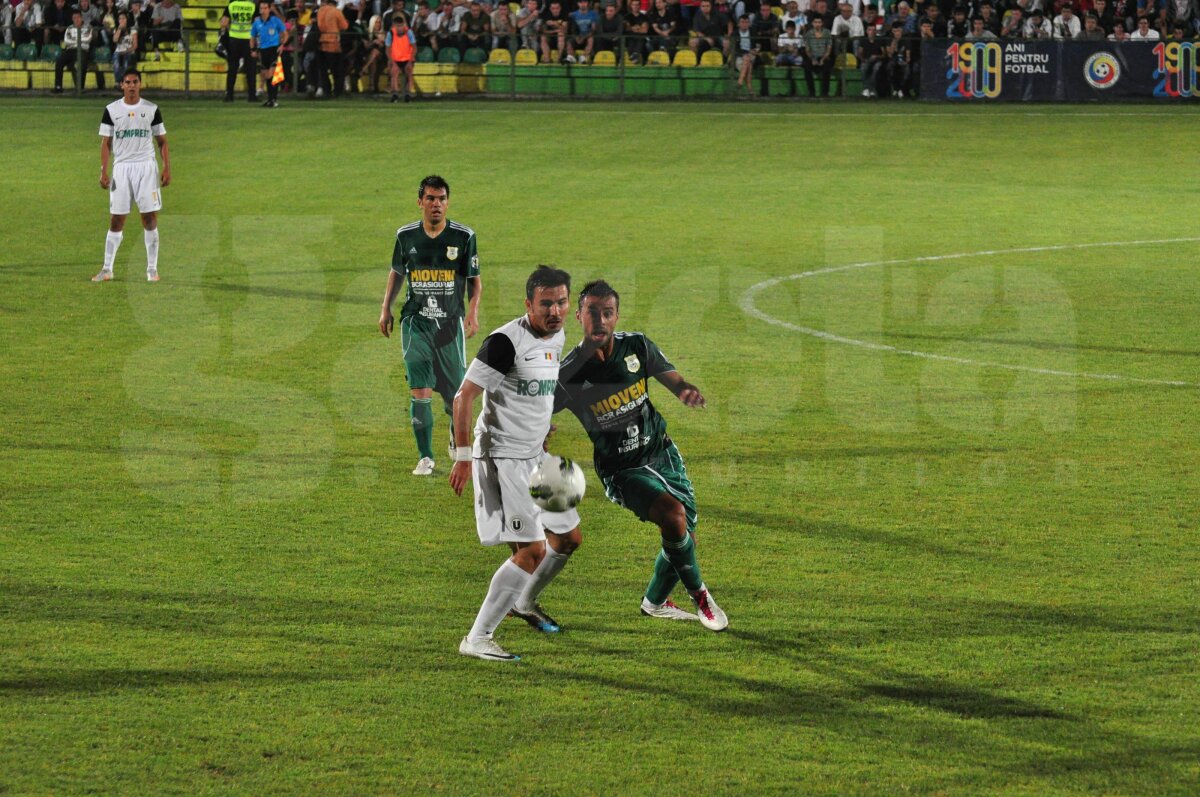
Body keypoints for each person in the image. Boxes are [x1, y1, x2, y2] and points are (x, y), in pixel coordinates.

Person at [552, 280, 728, 632]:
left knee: (683, 539)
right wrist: (539, 433)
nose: (600, 320)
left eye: (607, 313)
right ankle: (701, 597)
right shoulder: (569, 373)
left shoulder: (637, 347)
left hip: (662, 452)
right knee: (674, 517)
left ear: (617, 316)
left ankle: (655, 602)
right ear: (578, 316)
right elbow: (538, 412)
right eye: (592, 313)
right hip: (622, 470)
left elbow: (673, 380)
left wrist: (685, 390)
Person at [449, 266, 574, 662]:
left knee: (569, 538)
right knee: (531, 551)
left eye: (561, 302)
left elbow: (536, 389)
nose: (555, 311)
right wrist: (464, 457)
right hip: (504, 457)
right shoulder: (505, 342)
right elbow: (463, 398)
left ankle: (522, 601)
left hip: (536, 454)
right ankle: (478, 637)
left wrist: (542, 425)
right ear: (528, 304)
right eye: (545, 304)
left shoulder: (558, 336)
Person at [379, 175, 482, 476]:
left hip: (450, 326)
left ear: (447, 202)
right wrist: (386, 308)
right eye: (431, 199)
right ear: (420, 201)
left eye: (441, 199)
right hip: (416, 323)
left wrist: (473, 313)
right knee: (420, 389)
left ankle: (455, 430)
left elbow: (475, 283)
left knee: (456, 395)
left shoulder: (464, 237)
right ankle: (425, 457)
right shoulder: (406, 236)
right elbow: (397, 272)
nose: (436, 204)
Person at [93, 70, 170, 284]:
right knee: (117, 219)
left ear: (140, 84)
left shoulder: (151, 109)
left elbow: (162, 141)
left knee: (149, 218)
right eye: (128, 82)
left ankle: (152, 270)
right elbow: (106, 143)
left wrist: (166, 168)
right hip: (122, 168)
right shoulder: (111, 110)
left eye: (135, 82)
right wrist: (103, 170)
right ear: (122, 85)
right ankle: (107, 269)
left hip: (146, 167)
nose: (132, 85)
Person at [54, 10, 105, 92]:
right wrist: (80, 40)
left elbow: (88, 39)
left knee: (83, 62)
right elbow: (66, 41)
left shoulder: (88, 27)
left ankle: (80, 87)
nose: (76, 19)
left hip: (83, 50)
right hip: (70, 50)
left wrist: (75, 40)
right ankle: (58, 86)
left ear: (81, 18)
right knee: (59, 61)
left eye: (78, 17)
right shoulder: (69, 28)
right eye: (74, 18)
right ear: (72, 19)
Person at [250, 0, 287, 106]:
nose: (263, 10)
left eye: (265, 8)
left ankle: (273, 100)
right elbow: (252, 37)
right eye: (261, 8)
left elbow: (285, 33)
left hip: (273, 50)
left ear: (269, 8)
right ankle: (271, 99)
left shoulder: (275, 21)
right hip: (263, 51)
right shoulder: (257, 22)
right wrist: (253, 50)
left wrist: (282, 45)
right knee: (266, 76)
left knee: (271, 74)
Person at [220, 0, 257, 101]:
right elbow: (257, 22)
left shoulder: (231, 5)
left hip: (234, 40)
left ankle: (229, 95)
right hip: (248, 40)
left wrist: (230, 29)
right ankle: (252, 96)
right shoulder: (252, 6)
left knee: (232, 68)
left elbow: (223, 22)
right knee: (250, 69)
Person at [316, 0, 348, 97]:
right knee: (337, 70)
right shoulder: (336, 11)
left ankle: (327, 91)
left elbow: (319, 26)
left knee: (323, 70)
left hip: (322, 42)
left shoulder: (320, 11)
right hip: (334, 44)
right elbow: (344, 26)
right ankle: (337, 91)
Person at [801, 12, 833, 96]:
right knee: (806, 67)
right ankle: (812, 92)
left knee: (827, 67)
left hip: (824, 56)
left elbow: (829, 49)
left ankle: (825, 93)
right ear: (812, 23)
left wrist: (823, 59)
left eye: (819, 22)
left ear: (822, 23)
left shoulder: (827, 33)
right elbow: (807, 50)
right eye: (815, 22)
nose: (817, 24)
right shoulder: (808, 34)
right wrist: (813, 59)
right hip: (812, 57)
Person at [386, 13, 415, 101]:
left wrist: (410, 60)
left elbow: (414, 47)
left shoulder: (409, 32)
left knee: (409, 72)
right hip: (396, 58)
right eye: (397, 26)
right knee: (394, 72)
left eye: (401, 26)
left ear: (404, 25)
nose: (399, 28)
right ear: (394, 26)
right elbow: (387, 49)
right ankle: (395, 94)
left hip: (407, 57)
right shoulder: (391, 33)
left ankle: (407, 94)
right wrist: (392, 61)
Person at [111, 11, 138, 82]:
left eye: (123, 18)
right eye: (120, 19)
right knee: (116, 63)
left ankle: (124, 82)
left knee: (126, 63)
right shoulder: (117, 29)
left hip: (129, 52)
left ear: (127, 19)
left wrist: (126, 51)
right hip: (118, 51)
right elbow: (114, 40)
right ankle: (119, 82)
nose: (122, 20)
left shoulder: (132, 29)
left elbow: (135, 45)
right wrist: (119, 29)